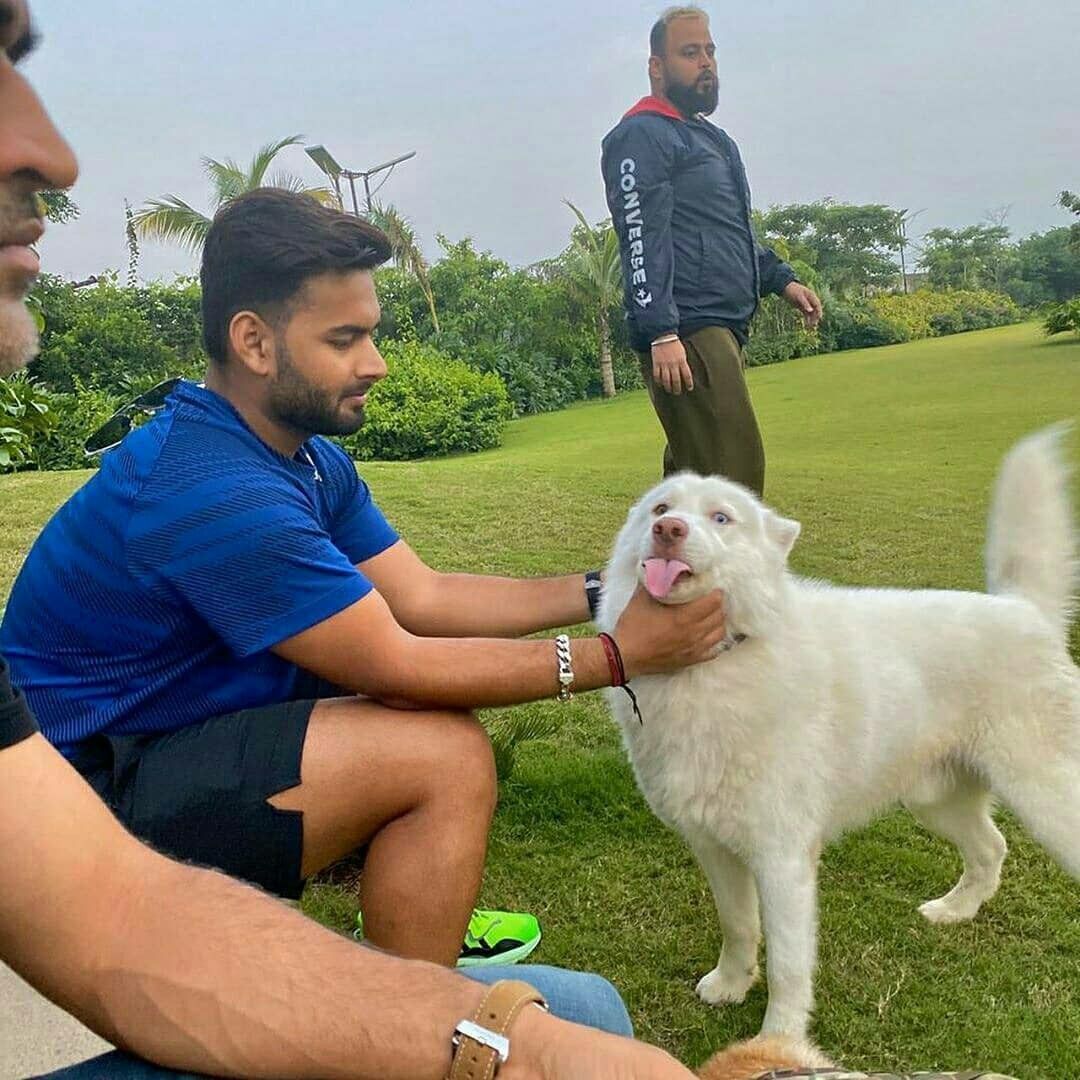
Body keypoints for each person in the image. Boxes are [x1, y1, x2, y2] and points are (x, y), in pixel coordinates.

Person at [0, 2, 712, 1075]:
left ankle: (417, 1007)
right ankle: (414, 1031)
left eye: (371, 332)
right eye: (346, 338)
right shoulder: (210, 489)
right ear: (252, 340)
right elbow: (409, 663)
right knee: (435, 746)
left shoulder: (298, 453)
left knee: (447, 771)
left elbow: (421, 594)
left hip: (164, 749)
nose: (374, 361)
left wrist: (604, 585)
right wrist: (620, 656)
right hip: (77, 805)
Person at [601, 5, 823, 496]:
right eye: (689, 52)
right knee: (732, 484)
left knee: (691, 486)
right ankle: (730, 576)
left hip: (718, 324)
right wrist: (661, 331)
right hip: (690, 329)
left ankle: (659, 574)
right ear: (657, 67)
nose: (705, 63)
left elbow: (730, 230)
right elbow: (640, 234)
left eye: (709, 51)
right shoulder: (642, 134)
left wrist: (780, 278)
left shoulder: (710, 138)